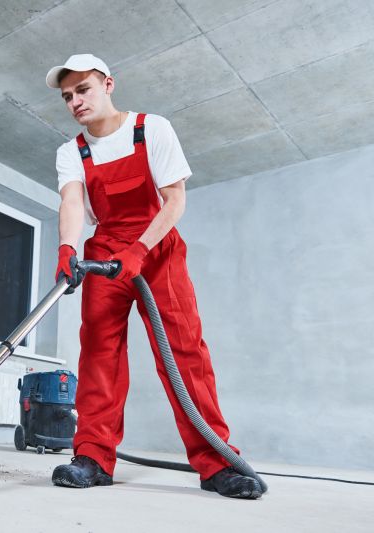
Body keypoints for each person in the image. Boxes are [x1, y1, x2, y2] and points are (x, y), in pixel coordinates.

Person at [46, 54, 262, 499]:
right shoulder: (73, 151)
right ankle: (92, 457)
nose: (75, 102)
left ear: (108, 84)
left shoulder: (151, 128)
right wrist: (68, 247)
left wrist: (140, 250)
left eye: (83, 89)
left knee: (184, 353)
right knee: (99, 353)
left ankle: (217, 462)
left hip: (156, 247)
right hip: (105, 250)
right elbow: (72, 202)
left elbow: (174, 200)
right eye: (68, 96)